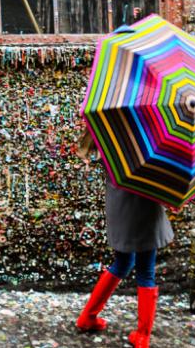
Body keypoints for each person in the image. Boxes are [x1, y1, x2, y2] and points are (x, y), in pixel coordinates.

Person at [75, 129, 174, 348]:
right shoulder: (146, 142)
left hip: (120, 210)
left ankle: (87, 317)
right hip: (145, 212)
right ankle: (143, 336)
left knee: (123, 262)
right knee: (146, 271)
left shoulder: (108, 136)